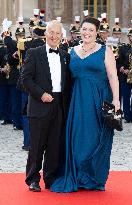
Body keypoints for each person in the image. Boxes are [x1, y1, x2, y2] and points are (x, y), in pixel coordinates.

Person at [51, 17, 120, 193]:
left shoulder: (106, 51)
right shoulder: (71, 51)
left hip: (99, 101)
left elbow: (113, 77)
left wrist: (117, 101)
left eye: (91, 30)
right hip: (77, 102)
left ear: (97, 32)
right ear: (79, 31)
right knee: (77, 138)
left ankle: (92, 177)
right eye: (84, 29)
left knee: (95, 139)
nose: (87, 33)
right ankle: (78, 175)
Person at [22, 20, 71, 192]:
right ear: (45, 33)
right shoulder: (34, 53)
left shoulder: (65, 55)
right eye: (51, 32)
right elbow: (25, 79)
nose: (54, 36)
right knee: (37, 145)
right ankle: (33, 179)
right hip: (39, 103)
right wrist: (41, 94)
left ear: (61, 36)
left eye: (58, 33)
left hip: (59, 104)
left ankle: (50, 178)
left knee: (55, 144)